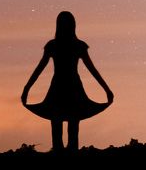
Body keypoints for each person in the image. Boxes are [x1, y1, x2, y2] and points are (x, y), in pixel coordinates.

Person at [21, 10, 113, 151]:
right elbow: (92, 69)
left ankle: (62, 152)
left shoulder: (56, 45)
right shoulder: (75, 45)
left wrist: (27, 88)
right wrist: (106, 89)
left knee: (58, 120)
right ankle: (68, 152)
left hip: (61, 86)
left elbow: (39, 69)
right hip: (70, 86)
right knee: (71, 121)